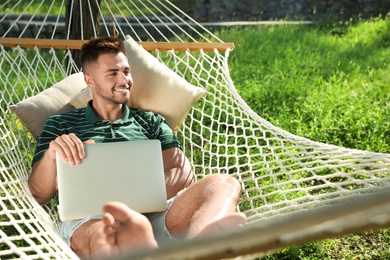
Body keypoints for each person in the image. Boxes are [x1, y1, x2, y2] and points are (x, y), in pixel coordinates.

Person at [28, 36, 246, 258]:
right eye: (113, 73)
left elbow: (182, 175)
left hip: (157, 214)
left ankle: (202, 247)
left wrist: (136, 202)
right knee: (103, 237)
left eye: (126, 71)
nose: (124, 79)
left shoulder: (150, 121)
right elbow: (37, 194)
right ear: (90, 80)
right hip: (94, 219)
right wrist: (53, 155)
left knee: (223, 184)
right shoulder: (61, 124)